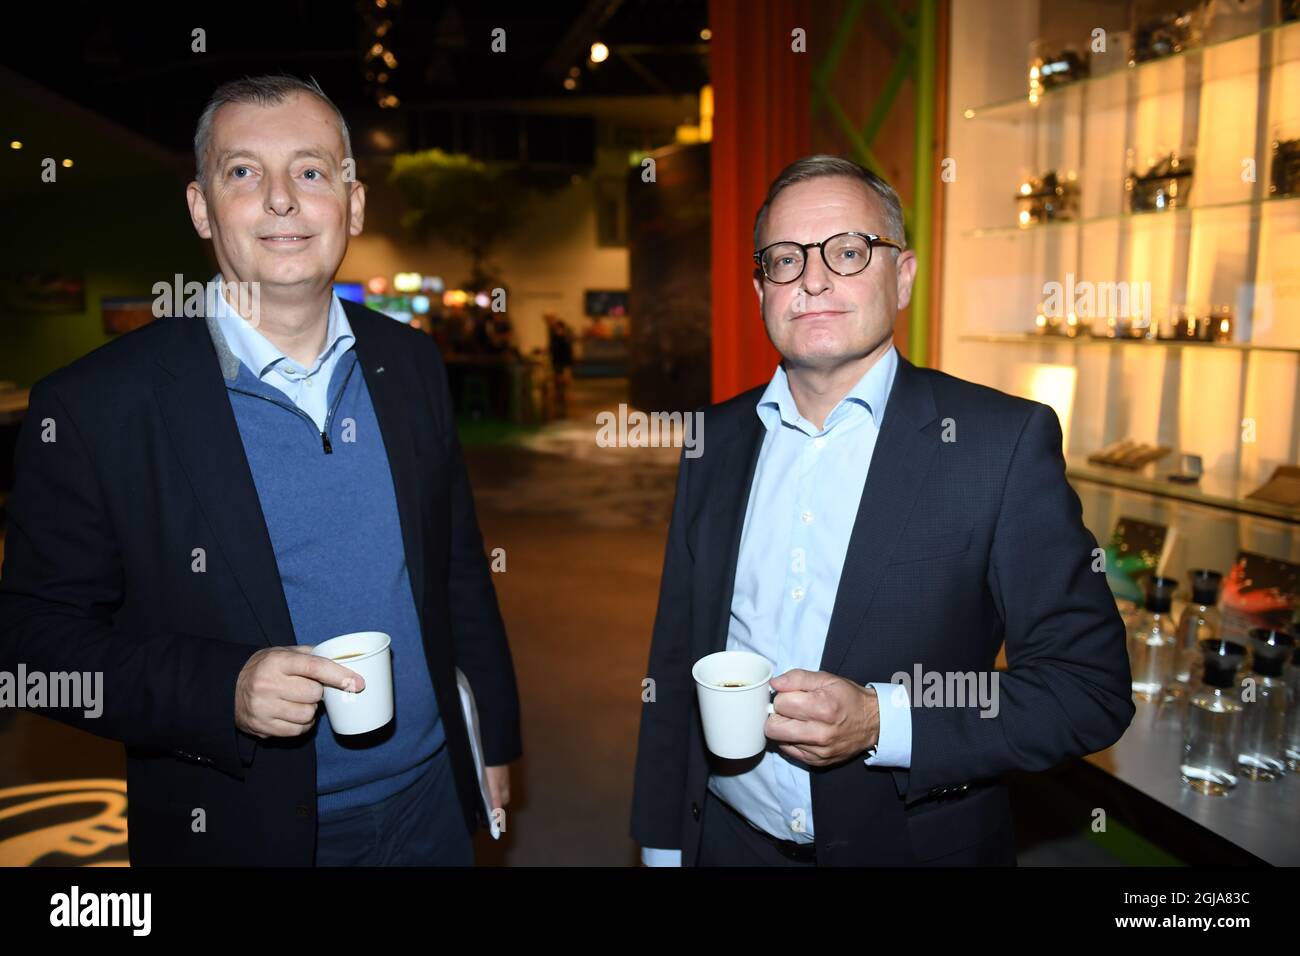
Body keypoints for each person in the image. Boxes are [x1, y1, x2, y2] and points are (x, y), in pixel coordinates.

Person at [0, 75, 521, 866]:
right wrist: (221, 688)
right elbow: (36, 647)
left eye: (311, 171)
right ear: (201, 207)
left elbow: (458, 571)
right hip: (241, 829)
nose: (281, 199)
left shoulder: (409, 362)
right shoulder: (95, 407)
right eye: (244, 172)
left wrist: (493, 739)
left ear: (352, 204)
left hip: (430, 808)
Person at [630, 155, 1134, 866]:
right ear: (759, 288)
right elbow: (677, 654)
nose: (812, 279)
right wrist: (661, 844)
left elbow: (1088, 689)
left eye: (847, 251)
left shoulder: (998, 444)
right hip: (728, 842)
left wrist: (881, 721)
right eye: (783, 259)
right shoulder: (713, 440)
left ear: (902, 277)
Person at [546, 314, 575, 418]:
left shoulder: (565, 340)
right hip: (557, 365)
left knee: (565, 388)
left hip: (563, 365)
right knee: (558, 388)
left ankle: (566, 411)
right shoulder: (555, 338)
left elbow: (568, 356)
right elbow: (552, 351)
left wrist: (568, 369)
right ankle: (559, 410)